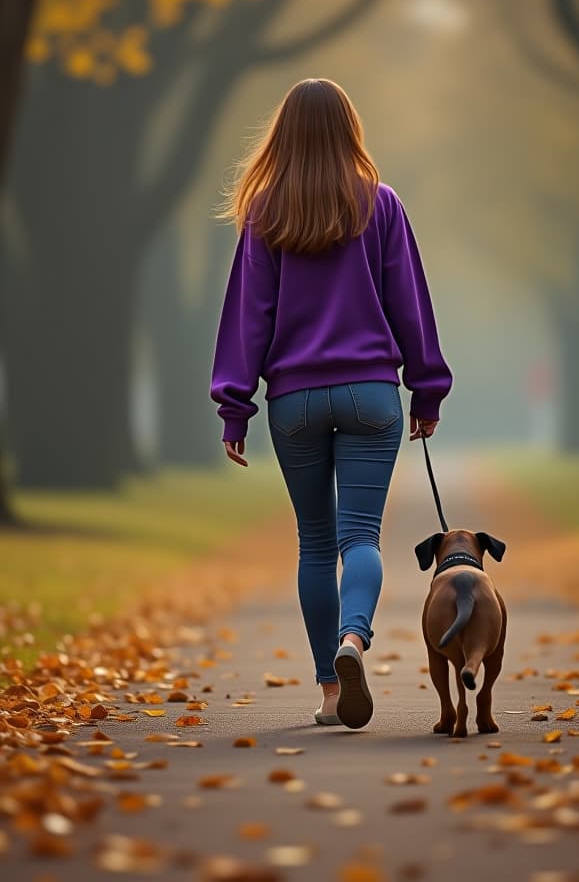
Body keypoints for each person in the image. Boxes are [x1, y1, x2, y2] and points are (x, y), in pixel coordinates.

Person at [209, 78, 453, 730]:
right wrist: (426, 389)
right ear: (349, 130)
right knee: (359, 538)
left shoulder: (266, 213)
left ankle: (328, 693)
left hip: (294, 402)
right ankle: (354, 639)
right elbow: (410, 304)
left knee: (316, 544)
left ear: (282, 135)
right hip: (371, 394)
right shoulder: (382, 205)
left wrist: (235, 406)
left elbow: (248, 316)